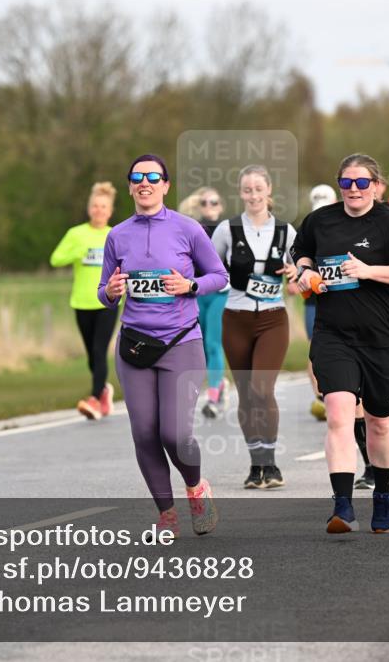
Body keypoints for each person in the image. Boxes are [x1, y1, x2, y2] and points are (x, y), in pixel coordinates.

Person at [292, 153, 389, 534]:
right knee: (338, 413)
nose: (354, 189)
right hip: (334, 334)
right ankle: (342, 506)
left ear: (376, 186)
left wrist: (369, 271)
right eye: (347, 183)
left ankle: (383, 493)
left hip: (383, 337)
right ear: (339, 185)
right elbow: (299, 251)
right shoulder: (321, 220)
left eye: (362, 183)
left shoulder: (388, 222)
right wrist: (305, 271)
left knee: (379, 422)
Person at [98, 154, 227, 537]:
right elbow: (104, 292)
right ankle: (166, 512)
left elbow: (219, 276)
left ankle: (196, 488)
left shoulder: (188, 229)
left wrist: (190, 286)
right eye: (137, 177)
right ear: (130, 186)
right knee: (144, 432)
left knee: (175, 433)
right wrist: (110, 291)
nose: (145, 182)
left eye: (153, 176)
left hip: (180, 341)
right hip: (135, 345)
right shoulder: (117, 235)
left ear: (166, 185)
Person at [211, 165, 297, 489]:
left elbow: (302, 268)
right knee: (246, 394)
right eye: (247, 190)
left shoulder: (287, 232)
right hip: (236, 318)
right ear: (241, 193)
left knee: (262, 389)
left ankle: (271, 463)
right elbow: (212, 268)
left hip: (273, 318)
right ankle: (255, 465)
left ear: (269, 190)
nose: (253, 195)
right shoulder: (226, 230)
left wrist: (295, 275)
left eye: (258, 189)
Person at [50, 181, 120, 420]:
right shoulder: (76, 234)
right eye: (95, 206)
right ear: (89, 208)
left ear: (110, 211)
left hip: (107, 302)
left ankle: (94, 399)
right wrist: (77, 252)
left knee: (100, 351)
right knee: (92, 355)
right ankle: (103, 393)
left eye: (103, 207)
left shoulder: (115, 234)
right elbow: (55, 259)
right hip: (81, 302)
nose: (99, 210)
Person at [296, 184, 338, 421]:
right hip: (314, 298)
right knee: (315, 347)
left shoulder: (346, 227)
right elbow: (298, 258)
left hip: (342, 297)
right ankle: (320, 396)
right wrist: (299, 274)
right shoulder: (308, 228)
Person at [194, 187, 232, 418]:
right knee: (201, 346)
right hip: (198, 293)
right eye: (205, 202)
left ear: (221, 206)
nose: (209, 206)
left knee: (212, 343)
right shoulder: (193, 228)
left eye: (214, 202)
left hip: (222, 292)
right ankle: (220, 384)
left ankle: (213, 397)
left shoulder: (229, 229)